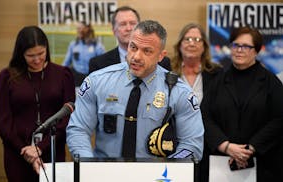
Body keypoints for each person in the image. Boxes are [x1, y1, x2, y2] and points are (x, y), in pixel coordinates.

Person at [67, 20, 204, 160]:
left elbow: (191, 145)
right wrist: (88, 166)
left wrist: (169, 169)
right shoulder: (97, 82)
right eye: (133, 47)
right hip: (105, 173)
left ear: (161, 56)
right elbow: (78, 130)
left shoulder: (179, 92)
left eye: (147, 51)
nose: (137, 57)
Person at [201, 26, 283, 181]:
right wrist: (226, 146)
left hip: (264, 165)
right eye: (235, 45)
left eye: (246, 46)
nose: (239, 50)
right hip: (221, 163)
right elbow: (205, 116)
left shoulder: (271, 82)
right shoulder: (218, 80)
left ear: (256, 50)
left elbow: (279, 119)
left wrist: (249, 149)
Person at [0, 26, 76, 182]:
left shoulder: (63, 74)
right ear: (21, 54)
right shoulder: (7, 77)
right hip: (18, 154)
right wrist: (26, 151)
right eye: (30, 55)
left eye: (41, 53)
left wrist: (40, 148)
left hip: (52, 151)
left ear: (47, 48)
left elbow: (68, 116)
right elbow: (3, 122)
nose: (37, 59)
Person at [171, 23, 222, 182]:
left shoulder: (217, 73)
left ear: (204, 46)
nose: (192, 43)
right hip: (174, 143)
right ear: (179, 45)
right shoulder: (168, 72)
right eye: (187, 39)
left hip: (209, 144)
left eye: (197, 39)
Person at [88, 6, 171, 73]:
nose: (129, 28)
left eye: (133, 23)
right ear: (113, 30)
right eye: (123, 24)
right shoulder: (98, 63)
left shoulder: (162, 61)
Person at [63, 21, 105, 86]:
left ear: (87, 29)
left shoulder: (97, 46)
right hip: (77, 79)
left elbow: (103, 64)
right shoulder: (73, 45)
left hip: (93, 79)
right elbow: (66, 63)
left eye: (80, 28)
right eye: (77, 29)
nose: (78, 31)